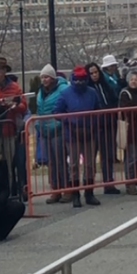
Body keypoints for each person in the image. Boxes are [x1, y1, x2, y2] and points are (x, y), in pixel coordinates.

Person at [53, 66, 102, 208]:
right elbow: (56, 111)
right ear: (73, 79)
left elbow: (98, 110)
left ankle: (89, 193)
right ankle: (75, 195)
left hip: (89, 132)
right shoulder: (65, 93)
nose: (79, 82)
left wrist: (92, 124)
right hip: (72, 133)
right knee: (74, 164)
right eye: (77, 80)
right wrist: (69, 121)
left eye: (82, 79)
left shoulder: (92, 93)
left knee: (90, 164)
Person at [0, 57, 27, 190]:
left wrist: (14, 105)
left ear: (4, 71)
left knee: (8, 165)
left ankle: (8, 192)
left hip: (9, 131)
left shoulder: (14, 87)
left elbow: (24, 105)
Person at [36, 64, 71, 204]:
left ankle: (67, 189)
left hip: (58, 128)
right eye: (42, 77)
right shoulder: (41, 92)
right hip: (45, 130)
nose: (44, 80)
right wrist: (38, 124)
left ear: (52, 78)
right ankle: (55, 189)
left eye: (47, 77)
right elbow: (39, 108)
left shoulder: (63, 89)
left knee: (61, 160)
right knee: (51, 163)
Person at [86, 62, 121, 194]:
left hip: (108, 123)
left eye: (96, 72)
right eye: (91, 73)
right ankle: (89, 185)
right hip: (93, 126)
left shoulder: (105, 85)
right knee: (91, 157)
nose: (94, 75)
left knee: (108, 155)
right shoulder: (88, 89)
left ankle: (109, 182)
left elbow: (113, 99)